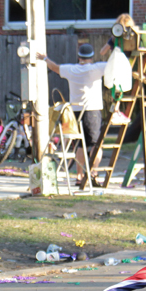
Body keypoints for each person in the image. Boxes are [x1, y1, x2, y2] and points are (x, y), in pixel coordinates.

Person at [38, 44, 106, 186]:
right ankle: (93, 173)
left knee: (80, 144)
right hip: (92, 111)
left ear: (79, 56)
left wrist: (44, 58)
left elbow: (55, 67)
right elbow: (113, 65)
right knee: (95, 144)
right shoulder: (96, 69)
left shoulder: (71, 69)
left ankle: (80, 176)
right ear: (92, 57)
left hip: (74, 112)